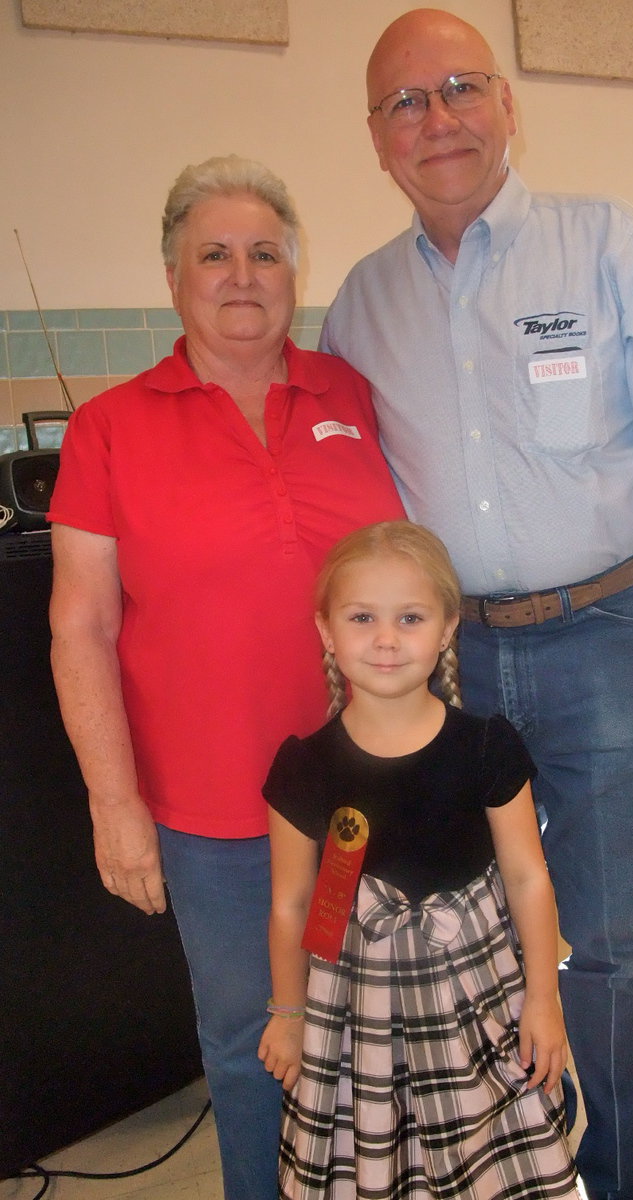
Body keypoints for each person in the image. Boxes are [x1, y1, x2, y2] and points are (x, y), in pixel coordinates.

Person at [318, 11, 633, 1198]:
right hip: (448, 670)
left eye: (461, 87)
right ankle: (518, 1167)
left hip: (607, 642)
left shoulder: (609, 246)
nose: (438, 118)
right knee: (474, 944)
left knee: (611, 947)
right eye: (405, 103)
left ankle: (618, 1174)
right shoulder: (359, 308)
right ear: (376, 140)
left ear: (508, 105)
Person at [47, 155, 405, 1200]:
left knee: (378, 1035)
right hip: (220, 825)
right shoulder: (110, 426)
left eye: (266, 252)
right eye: (215, 254)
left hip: (368, 801)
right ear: (173, 277)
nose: (242, 274)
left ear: (297, 269)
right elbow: (81, 627)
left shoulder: (350, 393)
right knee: (261, 1049)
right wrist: (116, 806)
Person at [258, 520, 580, 1200]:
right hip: (351, 1014)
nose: (385, 639)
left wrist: (544, 1000)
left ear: (446, 628)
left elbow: (527, 877)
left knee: (486, 1157)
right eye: (361, 617)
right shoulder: (302, 767)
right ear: (326, 630)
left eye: (409, 617)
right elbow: (294, 905)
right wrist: (289, 1017)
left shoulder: (488, 747)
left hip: (478, 999)